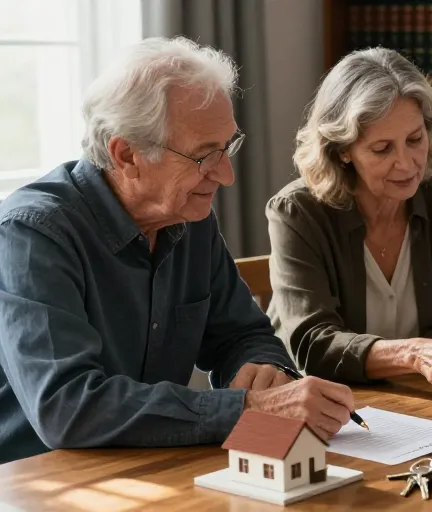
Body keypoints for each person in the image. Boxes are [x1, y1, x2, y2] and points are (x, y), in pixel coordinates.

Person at [0, 37, 358, 464]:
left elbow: (242, 335)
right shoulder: (32, 234)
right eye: (205, 156)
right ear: (126, 153)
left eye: (227, 148)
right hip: (37, 482)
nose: (225, 176)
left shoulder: (189, 218)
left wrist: (263, 371)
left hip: (153, 466)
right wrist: (246, 409)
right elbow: (65, 407)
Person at [266, 48, 432, 394]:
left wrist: (411, 364)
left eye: (415, 140)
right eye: (382, 149)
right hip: (318, 402)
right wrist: (411, 354)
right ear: (342, 150)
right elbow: (311, 346)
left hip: (419, 398)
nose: (407, 164)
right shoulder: (297, 211)